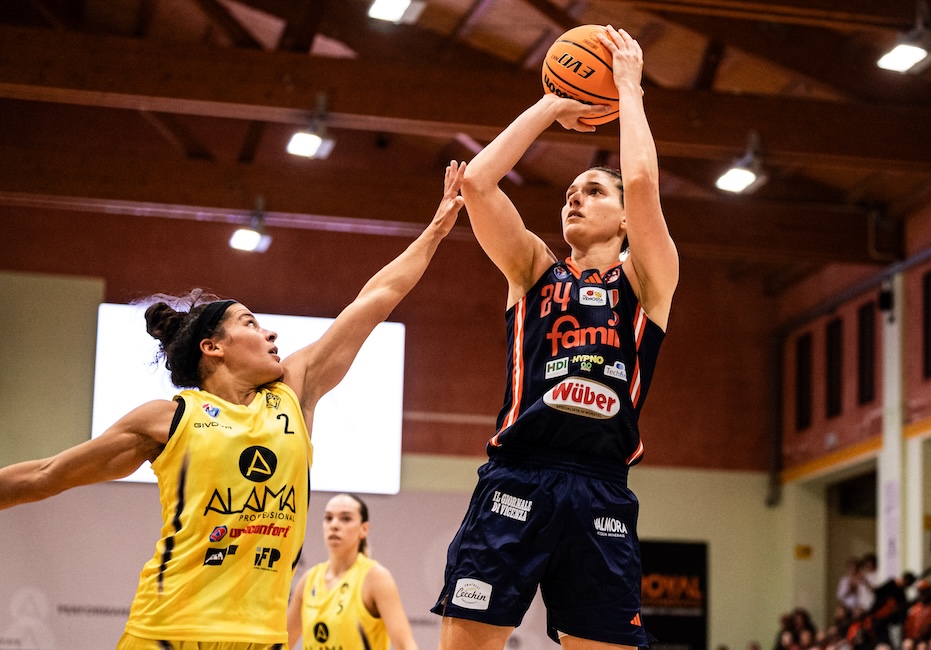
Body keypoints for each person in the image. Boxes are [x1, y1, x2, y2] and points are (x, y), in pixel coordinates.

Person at [0, 162, 465, 647]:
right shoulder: (170, 418)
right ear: (212, 347)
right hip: (166, 632)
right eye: (251, 324)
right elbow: (44, 475)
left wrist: (436, 229)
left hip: (259, 639)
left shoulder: (294, 390)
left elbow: (377, 298)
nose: (271, 332)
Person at [431, 25, 678, 650]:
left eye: (593, 191)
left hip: (601, 483)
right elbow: (479, 183)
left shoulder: (649, 280)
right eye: (569, 193)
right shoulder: (533, 269)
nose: (574, 198)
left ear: (624, 219)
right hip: (519, 474)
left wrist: (628, 90)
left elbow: (644, 182)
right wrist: (552, 102)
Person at [287, 493, 418, 650]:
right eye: (328, 518)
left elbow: (405, 645)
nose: (334, 525)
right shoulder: (309, 580)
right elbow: (281, 644)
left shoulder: (375, 577)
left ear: (364, 529)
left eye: (346, 518)